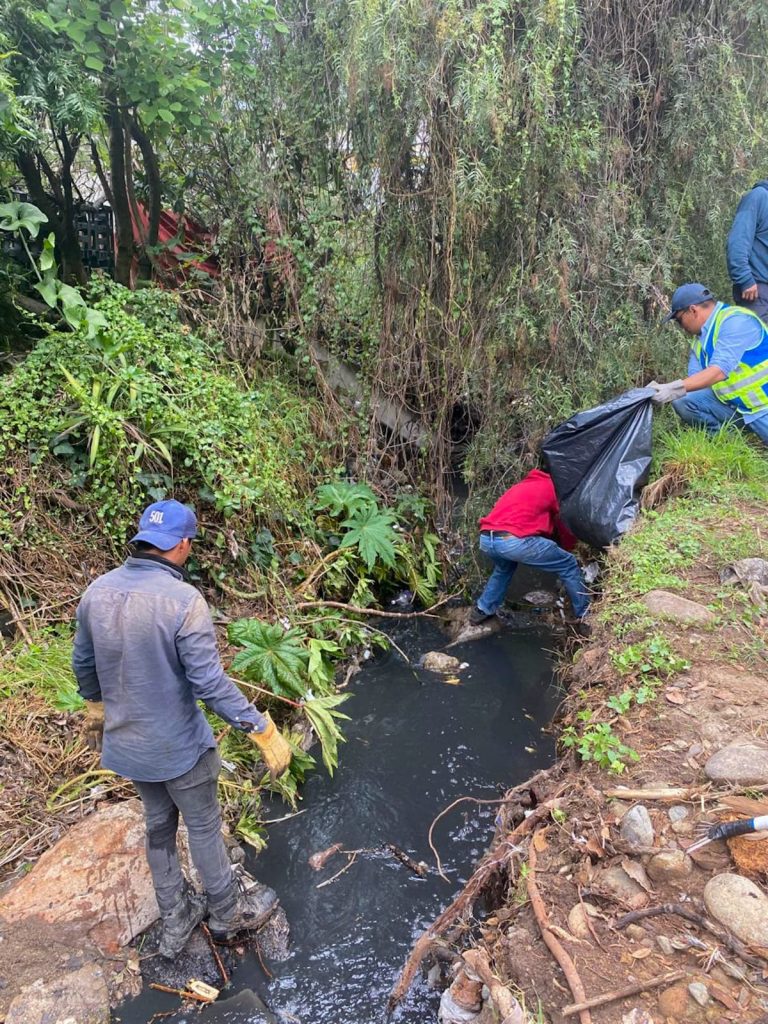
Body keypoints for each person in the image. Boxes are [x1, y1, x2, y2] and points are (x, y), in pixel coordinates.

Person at [72, 499, 292, 958]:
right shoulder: (184, 601)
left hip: (130, 746)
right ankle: (228, 915)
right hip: (180, 748)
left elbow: (84, 663)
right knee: (204, 827)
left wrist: (96, 708)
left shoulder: (97, 592)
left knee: (158, 826)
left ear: (143, 539)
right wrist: (259, 727)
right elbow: (208, 683)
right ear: (183, 544)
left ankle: (175, 918)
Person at [469, 469, 590, 628]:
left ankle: (482, 610)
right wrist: (570, 548)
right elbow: (563, 523)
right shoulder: (553, 487)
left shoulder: (521, 486)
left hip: (486, 539)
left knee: (503, 569)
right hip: (512, 541)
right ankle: (585, 614)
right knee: (568, 564)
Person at [650, 282, 768, 445]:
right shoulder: (700, 340)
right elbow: (696, 381)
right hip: (739, 408)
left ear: (693, 310)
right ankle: (727, 444)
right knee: (684, 400)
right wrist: (655, 392)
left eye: (679, 320)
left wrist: (672, 388)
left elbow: (718, 371)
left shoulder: (735, 321)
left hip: (763, 408)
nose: (681, 327)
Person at [726, 180, 768, 323]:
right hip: (757, 293)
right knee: (758, 337)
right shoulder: (758, 197)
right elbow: (738, 241)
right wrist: (745, 279)